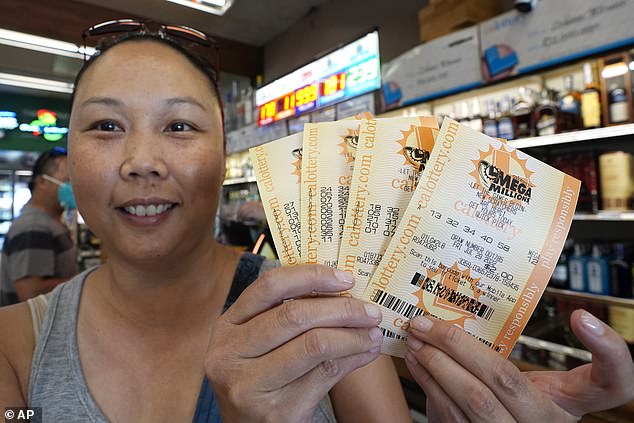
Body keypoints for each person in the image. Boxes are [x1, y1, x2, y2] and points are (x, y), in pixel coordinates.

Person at [0, 19, 631, 423]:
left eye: (180, 126)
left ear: (225, 158)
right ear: (67, 158)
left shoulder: (323, 303)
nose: (141, 162)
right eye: (106, 126)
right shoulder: (13, 345)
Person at [0, 147, 78, 306]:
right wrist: (89, 281)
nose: (75, 188)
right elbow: (31, 293)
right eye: (68, 181)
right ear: (42, 181)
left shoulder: (49, 221)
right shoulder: (34, 227)